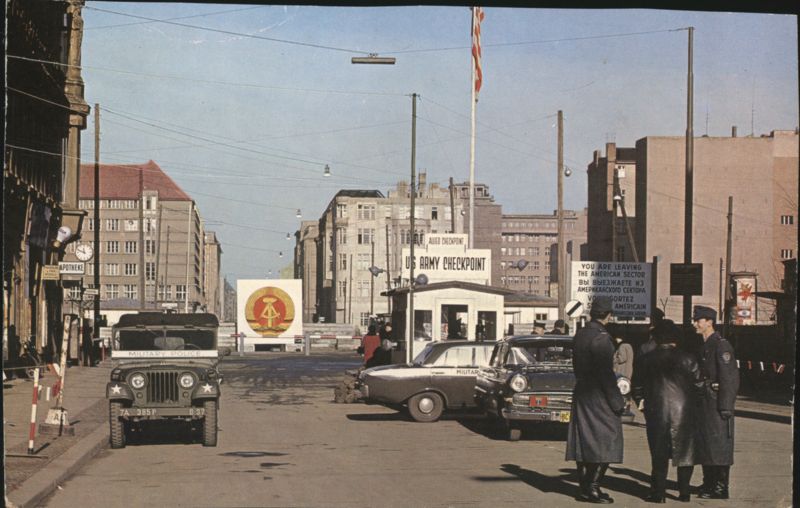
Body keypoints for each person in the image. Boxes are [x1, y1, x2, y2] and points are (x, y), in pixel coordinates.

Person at [632, 320, 704, 503]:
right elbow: (699, 386)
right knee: (685, 453)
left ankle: (658, 493)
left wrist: (642, 403)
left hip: (657, 410)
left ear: (656, 338)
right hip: (684, 412)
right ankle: (684, 492)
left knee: (658, 454)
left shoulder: (646, 359)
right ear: (676, 339)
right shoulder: (688, 359)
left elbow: (637, 386)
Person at [565, 296, 626, 504]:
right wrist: (618, 402)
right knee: (609, 439)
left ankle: (585, 488)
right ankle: (593, 487)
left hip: (582, 392)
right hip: (598, 396)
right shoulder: (602, 338)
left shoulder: (581, 334)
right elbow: (606, 375)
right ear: (608, 315)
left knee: (584, 442)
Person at [692, 305, 739, 500]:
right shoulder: (705, 344)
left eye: (698, 320)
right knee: (707, 444)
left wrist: (726, 406)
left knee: (719, 445)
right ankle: (709, 483)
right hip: (705, 403)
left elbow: (729, 378)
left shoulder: (721, 345)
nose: (695, 323)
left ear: (709, 322)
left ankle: (720, 487)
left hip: (717, 404)